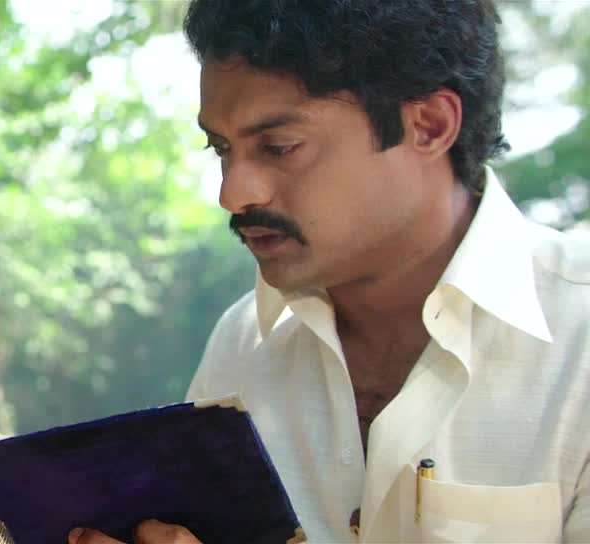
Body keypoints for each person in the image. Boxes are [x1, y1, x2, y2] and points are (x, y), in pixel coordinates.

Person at [72, 1, 589, 543]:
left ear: (430, 126)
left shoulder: (579, 342)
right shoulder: (244, 344)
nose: (234, 193)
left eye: (279, 148)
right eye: (221, 148)